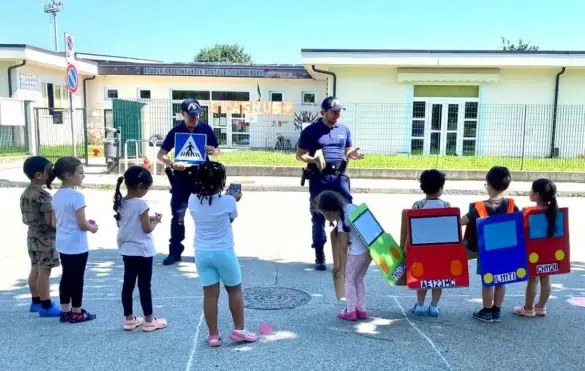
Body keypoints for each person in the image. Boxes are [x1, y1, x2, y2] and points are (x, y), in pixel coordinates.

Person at [188, 161, 257, 347]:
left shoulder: (192, 200)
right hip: (224, 251)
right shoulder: (229, 201)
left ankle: (213, 335)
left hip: (202, 253)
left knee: (210, 295)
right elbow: (229, 219)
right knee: (234, 290)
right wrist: (233, 198)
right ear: (221, 182)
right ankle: (240, 330)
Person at [296, 97, 364, 271]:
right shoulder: (311, 131)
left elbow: (347, 150)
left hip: (340, 178)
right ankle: (320, 255)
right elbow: (300, 154)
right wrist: (312, 160)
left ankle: (346, 254)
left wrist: (352, 154)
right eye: (334, 112)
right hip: (320, 178)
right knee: (318, 216)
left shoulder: (344, 130)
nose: (337, 115)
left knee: (347, 214)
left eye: (339, 112)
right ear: (323, 112)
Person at [157, 98, 220, 266]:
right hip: (182, 179)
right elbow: (161, 154)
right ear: (182, 114)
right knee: (178, 216)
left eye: (198, 115)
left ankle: (207, 251)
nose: (195, 118)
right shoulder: (176, 131)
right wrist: (171, 163)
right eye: (191, 115)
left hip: (203, 178)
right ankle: (175, 252)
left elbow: (217, 150)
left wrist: (213, 151)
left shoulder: (206, 129)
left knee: (207, 216)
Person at [461, 166, 519, 323]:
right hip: (506, 251)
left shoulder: (479, 207)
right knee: (501, 281)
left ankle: (486, 311)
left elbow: (462, 221)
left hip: (486, 252)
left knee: (488, 282)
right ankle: (496, 310)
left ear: (489, 184)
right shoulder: (512, 205)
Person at [113, 166, 167, 331]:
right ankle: (149, 320)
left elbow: (127, 222)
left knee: (128, 284)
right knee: (144, 285)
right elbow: (146, 229)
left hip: (127, 249)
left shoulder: (121, 202)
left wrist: (146, 220)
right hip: (142, 250)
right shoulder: (141, 204)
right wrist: (155, 220)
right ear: (139, 186)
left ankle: (129, 319)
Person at [50, 156, 98, 323]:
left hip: (63, 242)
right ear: (68, 175)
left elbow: (55, 222)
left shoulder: (56, 196)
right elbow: (82, 223)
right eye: (80, 172)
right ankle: (77, 311)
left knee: (66, 276)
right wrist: (93, 227)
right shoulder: (77, 196)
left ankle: (65, 310)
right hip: (77, 244)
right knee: (77, 278)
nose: (82, 176)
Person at [315, 190, 372, 321]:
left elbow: (343, 246)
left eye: (324, 215)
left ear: (329, 212)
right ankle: (361, 309)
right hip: (368, 253)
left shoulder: (342, 221)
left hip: (356, 254)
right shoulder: (353, 207)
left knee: (349, 280)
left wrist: (342, 266)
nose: (325, 218)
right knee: (359, 279)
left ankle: (351, 311)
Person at [19, 156, 61, 317]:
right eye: (48, 171)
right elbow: (51, 221)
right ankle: (46, 305)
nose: (51, 174)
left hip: (32, 235)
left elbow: (24, 218)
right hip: (45, 237)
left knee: (35, 268)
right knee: (45, 271)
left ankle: (35, 301)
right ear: (39, 175)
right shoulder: (43, 195)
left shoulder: (26, 193)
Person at [408, 169, 451, 317]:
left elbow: (411, 229)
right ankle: (434, 306)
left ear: (423, 187)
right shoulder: (446, 205)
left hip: (421, 249)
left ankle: (420, 305)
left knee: (423, 277)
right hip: (441, 249)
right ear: (440, 189)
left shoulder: (417, 206)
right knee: (438, 278)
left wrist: (407, 247)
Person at [514, 178, 558, 318]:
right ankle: (540, 307)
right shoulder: (556, 211)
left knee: (533, 279)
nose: (529, 192)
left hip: (534, 252)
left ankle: (528, 309)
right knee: (546, 278)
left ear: (537, 195)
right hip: (549, 250)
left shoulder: (528, 212)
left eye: (532, 190)